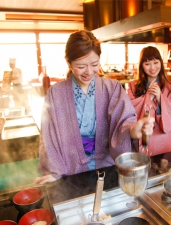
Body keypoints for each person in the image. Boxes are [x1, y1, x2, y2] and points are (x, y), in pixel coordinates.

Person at [33, 30, 155, 185]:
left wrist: (132, 130)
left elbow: (122, 121)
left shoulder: (112, 88)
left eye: (94, 64)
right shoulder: (55, 93)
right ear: (68, 62)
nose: (89, 72)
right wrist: (54, 170)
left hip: (107, 167)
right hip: (71, 170)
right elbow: (48, 135)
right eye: (81, 66)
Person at [127, 46, 171, 156]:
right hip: (140, 136)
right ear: (142, 66)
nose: (152, 67)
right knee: (141, 166)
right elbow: (128, 111)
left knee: (160, 166)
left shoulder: (170, 88)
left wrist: (160, 98)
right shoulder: (133, 87)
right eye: (147, 64)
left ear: (161, 63)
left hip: (161, 138)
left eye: (156, 62)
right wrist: (148, 97)